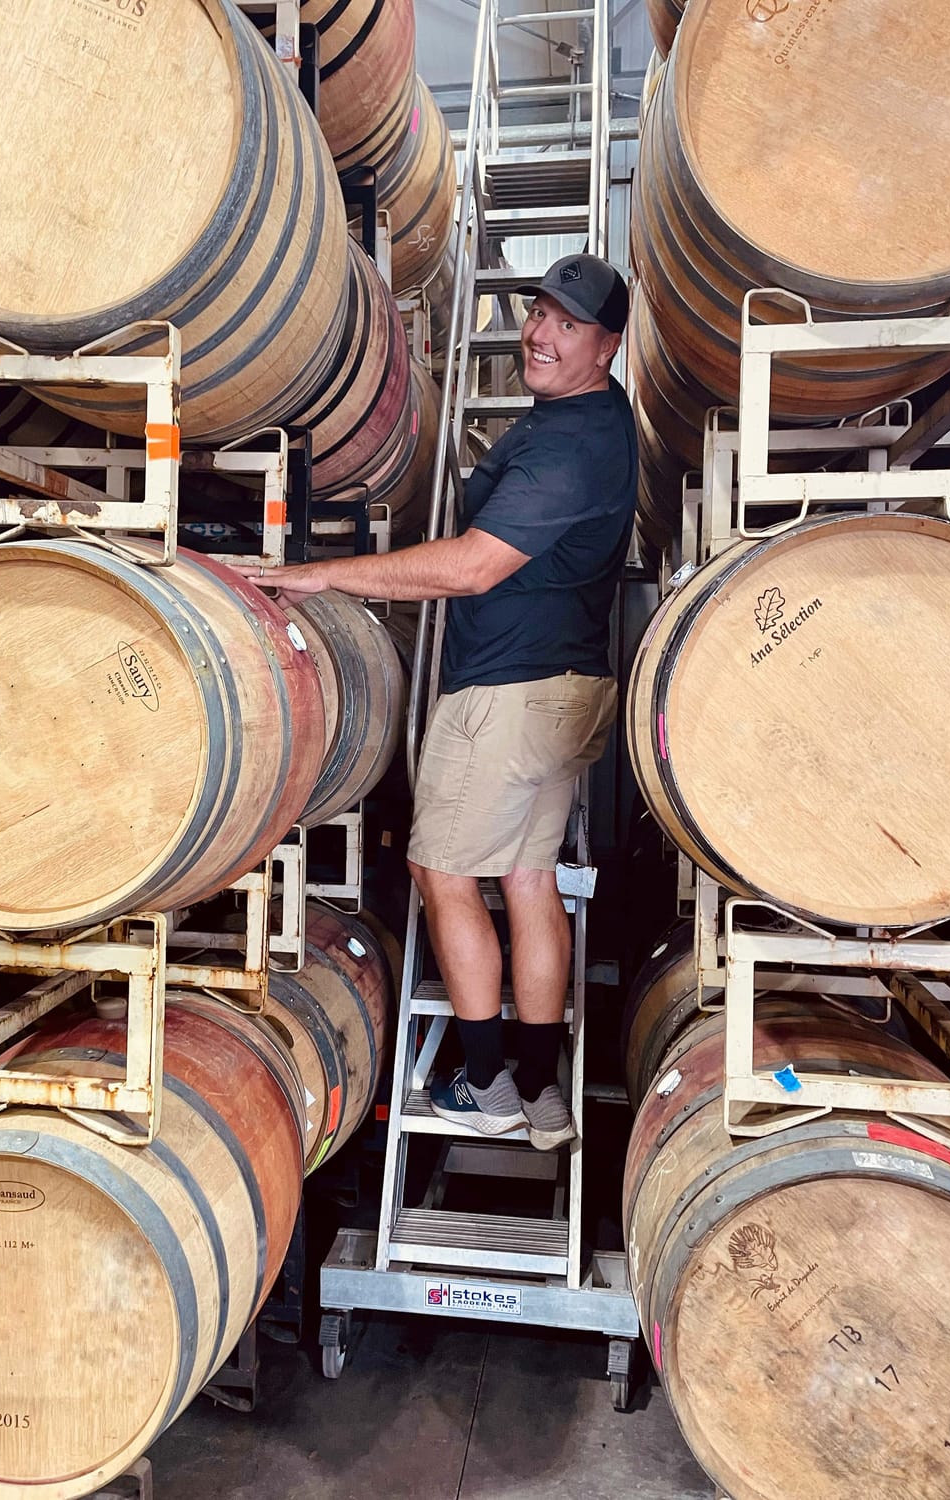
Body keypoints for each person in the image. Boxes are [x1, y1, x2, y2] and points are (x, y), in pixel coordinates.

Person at [234, 253, 637, 1151]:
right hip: (562, 689)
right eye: (539, 313)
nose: (540, 333)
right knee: (530, 880)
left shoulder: (571, 447)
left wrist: (319, 578)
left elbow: (470, 566)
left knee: (441, 874)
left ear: (606, 347)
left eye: (568, 326)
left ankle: (487, 1078)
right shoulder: (595, 420)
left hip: (505, 694)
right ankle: (542, 1088)